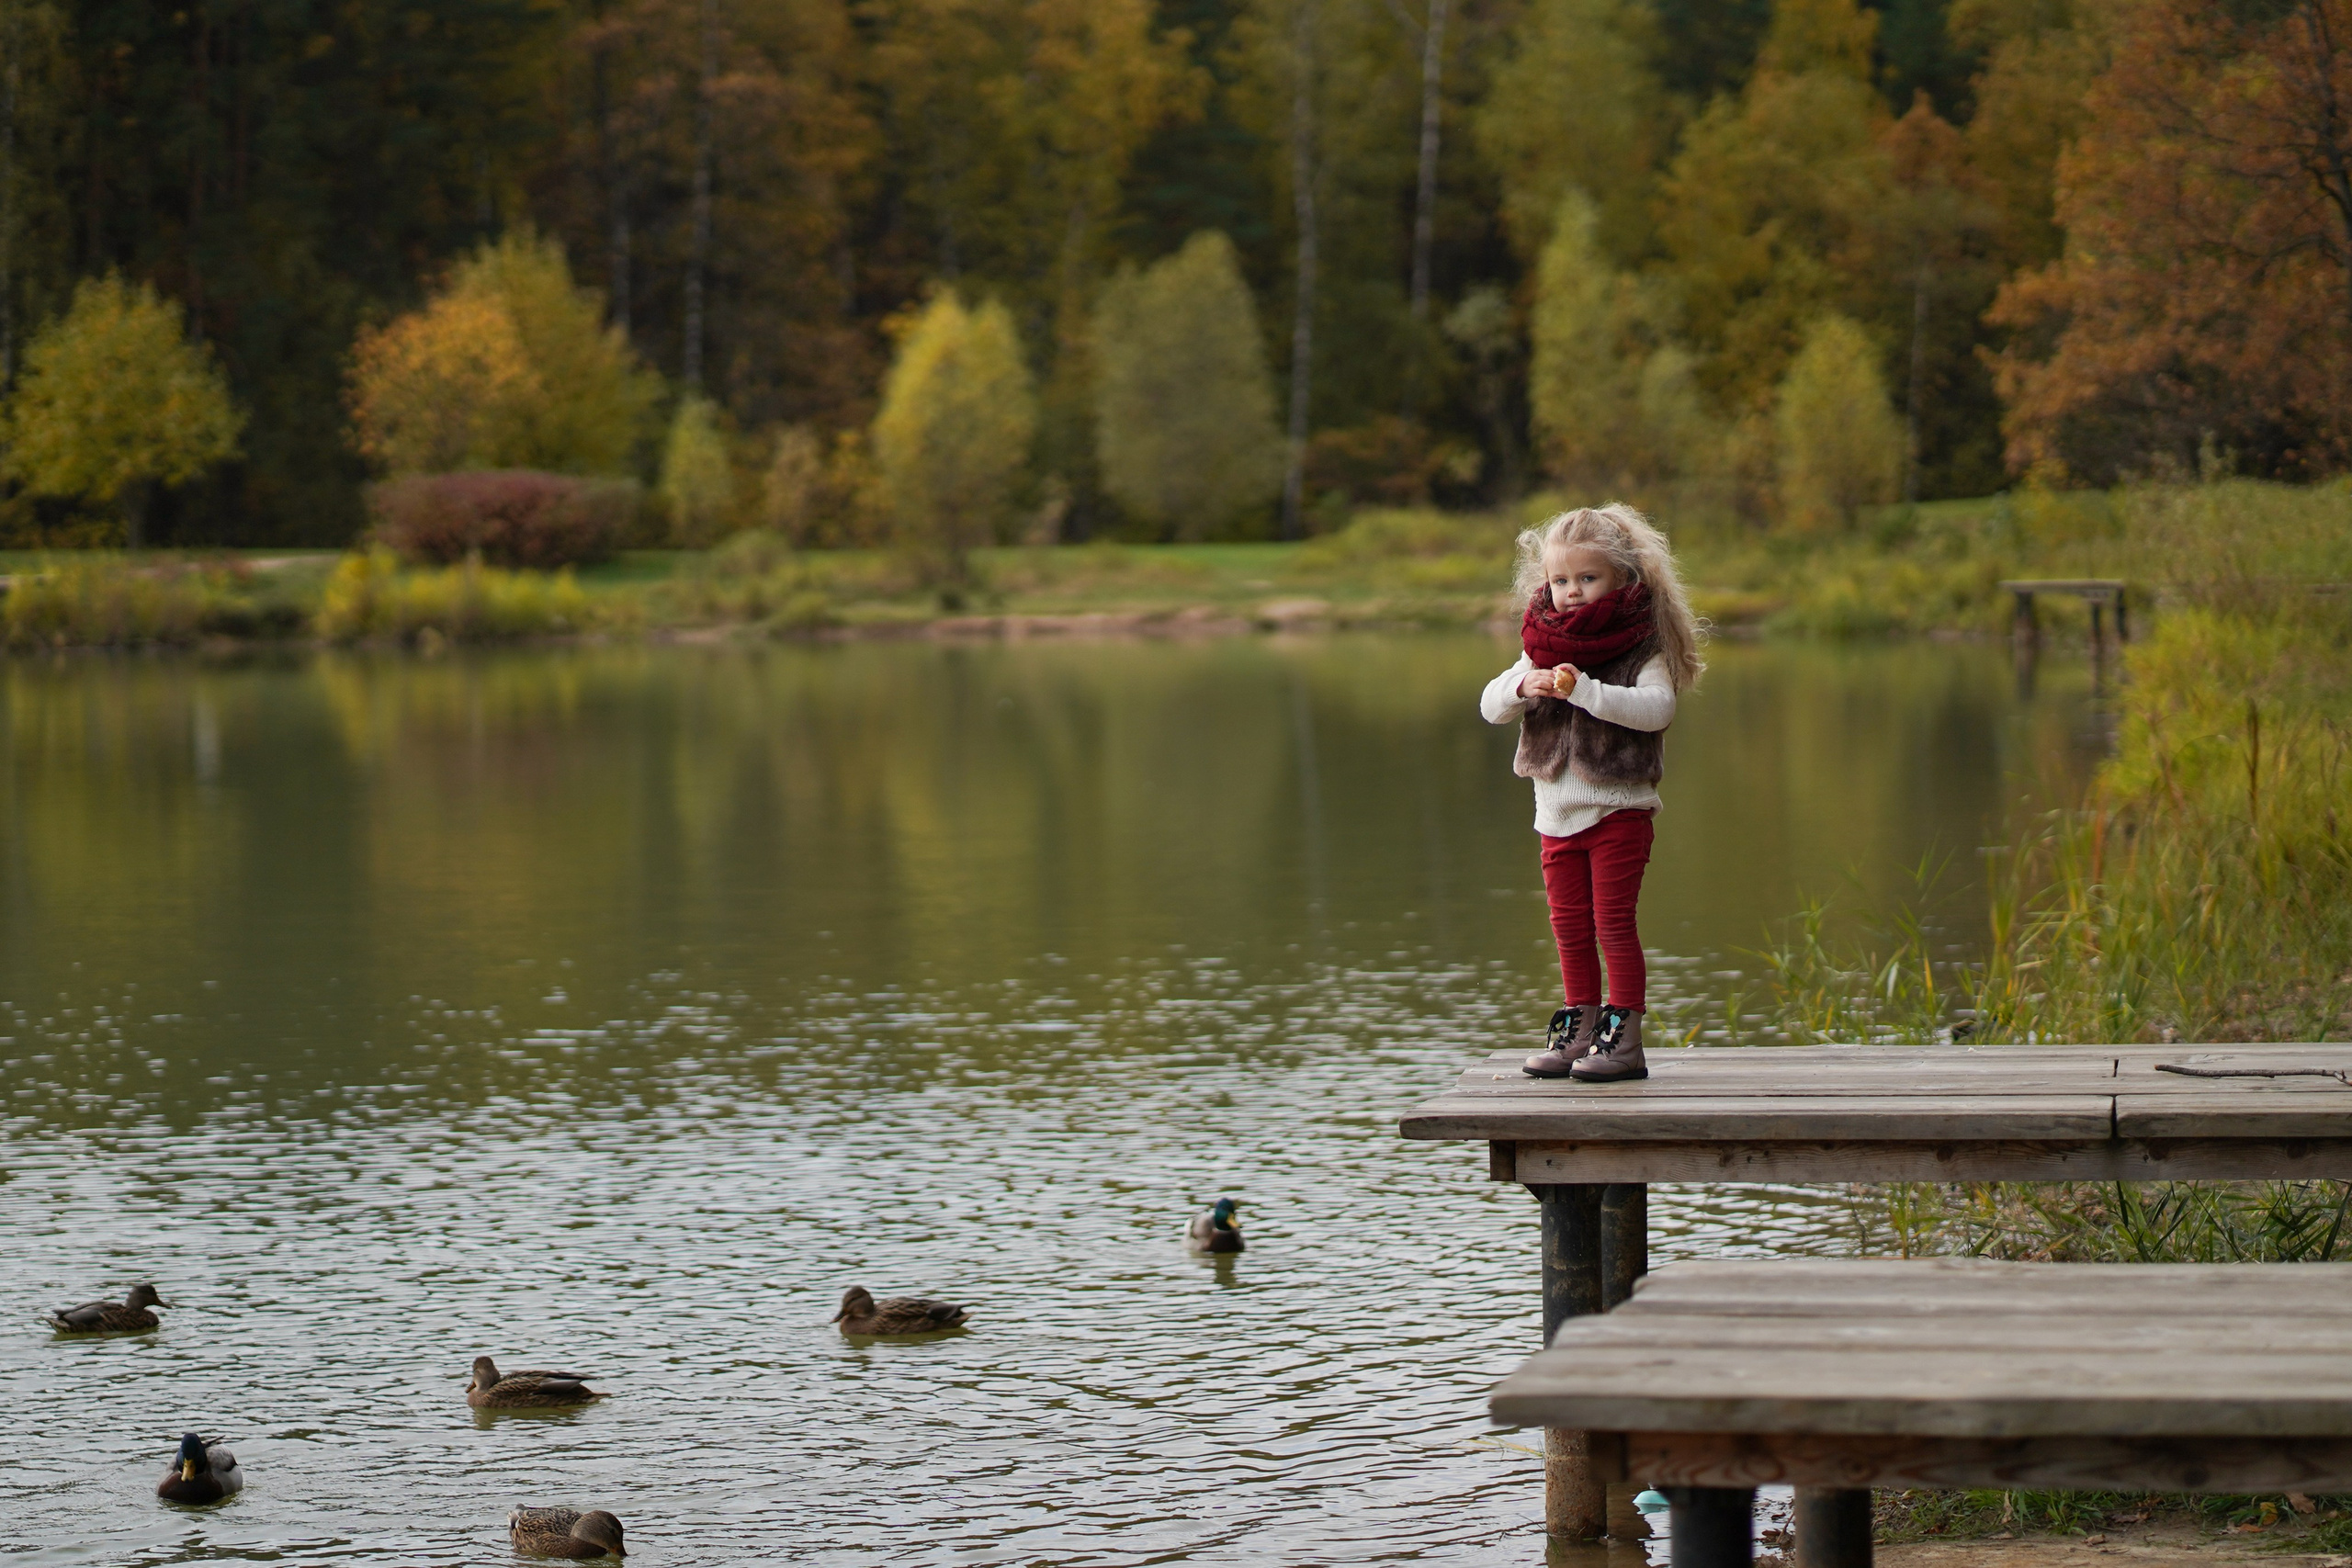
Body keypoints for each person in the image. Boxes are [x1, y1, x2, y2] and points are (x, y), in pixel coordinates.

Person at [1479, 504, 1705, 1082]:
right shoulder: (1542, 644)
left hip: (1617, 811)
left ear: (1622, 578)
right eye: (1560, 581)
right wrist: (1520, 684)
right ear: (1544, 584)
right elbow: (1490, 706)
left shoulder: (1640, 646)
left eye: (1588, 578)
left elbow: (1658, 710)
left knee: (1613, 924)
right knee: (1570, 928)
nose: (1572, 592)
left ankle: (1623, 1040)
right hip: (1554, 814)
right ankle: (1579, 1032)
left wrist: (1586, 693)